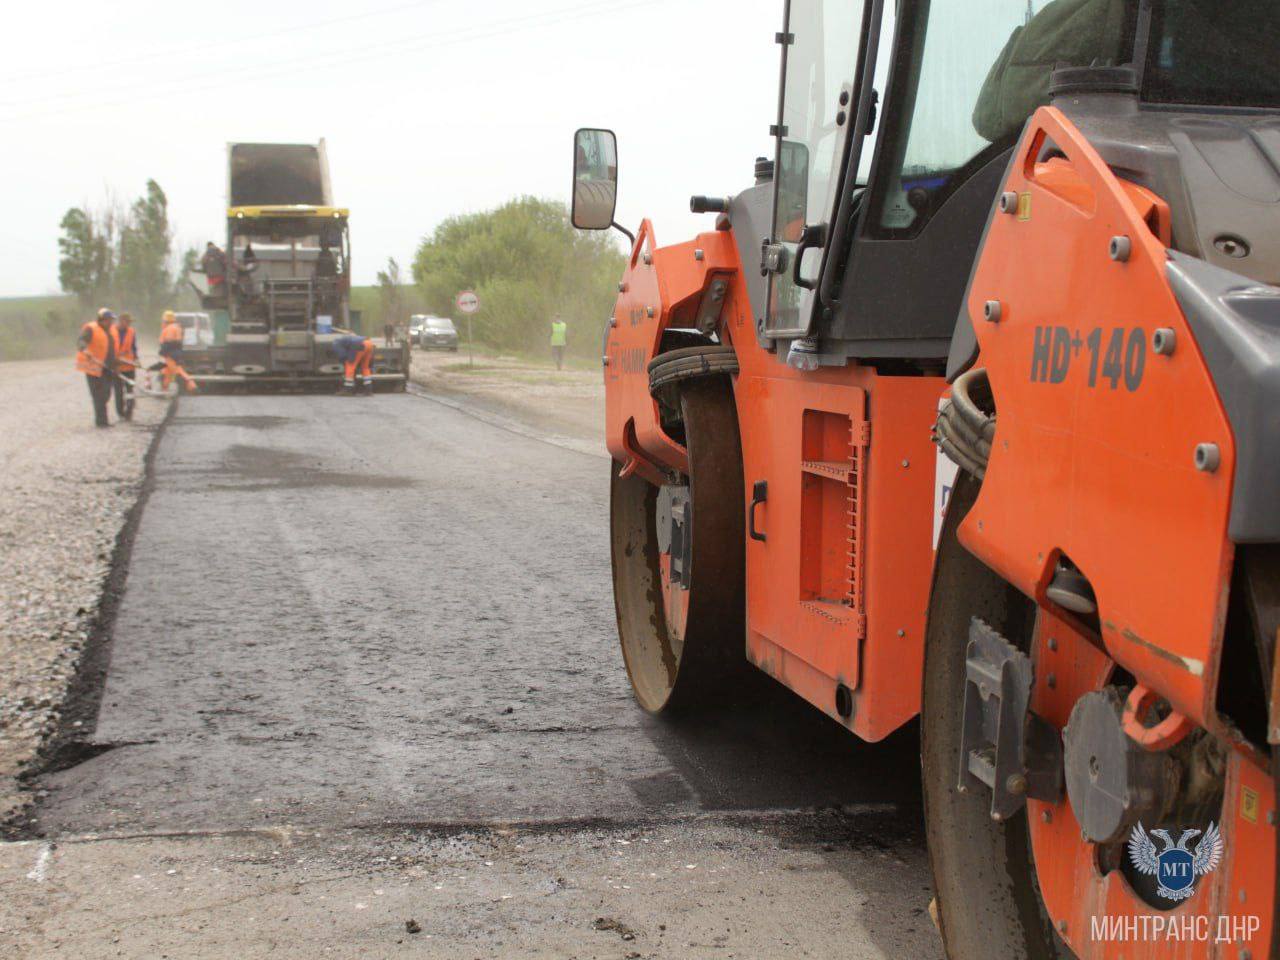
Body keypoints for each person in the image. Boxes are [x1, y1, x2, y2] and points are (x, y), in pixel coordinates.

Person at [76, 308, 117, 427]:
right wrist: (85, 349)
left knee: (106, 393)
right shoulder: (91, 328)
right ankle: (102, 422)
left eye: (111, 320)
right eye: (109, 320)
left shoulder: (110, 331)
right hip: (92, 367)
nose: (111, 322)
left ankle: (102, 419)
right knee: (99, 395)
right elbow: (81, 341)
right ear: (102, 319)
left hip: (106, 367)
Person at [158, 310, 198, 394]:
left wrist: (162, 351)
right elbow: (178, 342)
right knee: (167, 371)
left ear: (165, 320)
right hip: (177, 353)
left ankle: (192, 386)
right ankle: (164, 388)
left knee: (177, 370)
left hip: (170, 354)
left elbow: (167, 342)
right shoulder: (177, 327)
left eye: (163, 321)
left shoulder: (168, 329)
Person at [109, 311, 139, 421]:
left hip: (129, 366)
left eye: (130, 322)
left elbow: (134, 347)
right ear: (121, 321)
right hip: (116, 366)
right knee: (118, 391)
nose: (129, 324)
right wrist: (113, 365)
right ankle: (121, 413)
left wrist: (136, 359)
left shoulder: (131, 332)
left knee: (130, 390)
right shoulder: (111, 331)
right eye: (128, 322)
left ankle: (129, 411)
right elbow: (108, 349)